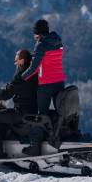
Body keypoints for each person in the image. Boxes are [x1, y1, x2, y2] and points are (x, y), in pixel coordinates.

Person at [19, 19, 66, 156]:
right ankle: (59, 138)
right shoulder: (58, 41)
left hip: (46, 84)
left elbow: (34, 68)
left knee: (41, 115)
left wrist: (22, 78)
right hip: (59, 81)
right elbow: (49, 59)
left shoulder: (40, 45)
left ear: (37, 33)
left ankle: (35, 147)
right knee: (60, 113)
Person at [0, 49, 38, 158]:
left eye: (16, 59)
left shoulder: (21, 75)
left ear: (22, 61)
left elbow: (6, 94)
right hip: (32, 109)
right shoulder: (33, 72)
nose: (14, 61)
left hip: (21, 113)